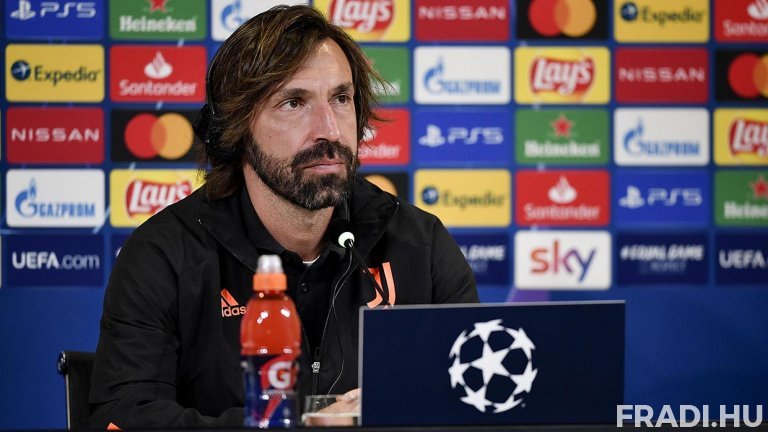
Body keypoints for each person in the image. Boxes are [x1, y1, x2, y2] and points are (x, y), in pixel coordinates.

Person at [89, 5, 478, 429]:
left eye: (341, 99)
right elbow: (122, 417)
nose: (330, 129)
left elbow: (478, 400)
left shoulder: (419, 245)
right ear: (237, 127)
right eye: (294, 102)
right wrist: (296, 425)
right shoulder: (165, 256)